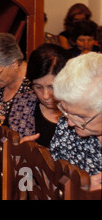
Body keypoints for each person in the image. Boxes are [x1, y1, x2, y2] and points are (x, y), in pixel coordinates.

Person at [49, 52, 101, 191]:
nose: (70, 123)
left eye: (81, 117)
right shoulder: (67, 120)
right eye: (64, 110)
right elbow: (55, 174)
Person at [8, 44, 70, 147]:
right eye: (38, 87)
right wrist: (15, 150)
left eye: (52, 87)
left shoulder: (81, 113)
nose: (45, 96)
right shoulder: (22, 104)